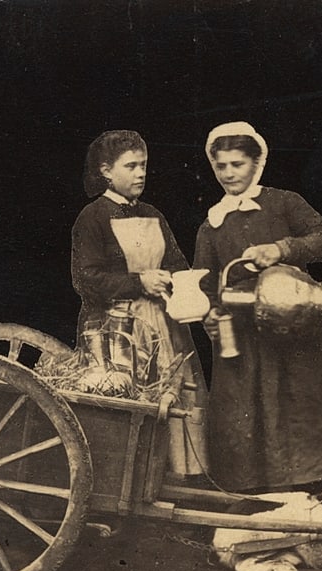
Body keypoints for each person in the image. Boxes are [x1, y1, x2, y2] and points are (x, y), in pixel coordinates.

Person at [193, 121, 322, 493]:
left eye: (237, 164)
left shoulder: (284, 203)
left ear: (257, 162)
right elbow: (204, 283)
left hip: (297, 327)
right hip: (243, 339)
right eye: (220, 166)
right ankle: (267, 511)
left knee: (307, 414)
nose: (228, 174)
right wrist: (209, 313)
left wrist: (282, 250)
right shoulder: (212, 225)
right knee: (250, 421)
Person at [71, 129, 208, 480]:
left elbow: (177, 262)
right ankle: (133, 484)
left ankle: (182, 480)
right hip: (117, 331)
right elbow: (86, 279)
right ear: (105, 171)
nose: (140, 173)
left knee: (179, 398)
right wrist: (139, 282)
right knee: (130, 405)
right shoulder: (92, 217)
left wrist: (178, 280)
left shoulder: (153, 213)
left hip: (164, 324)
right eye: (131, 166)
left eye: (143, 165)